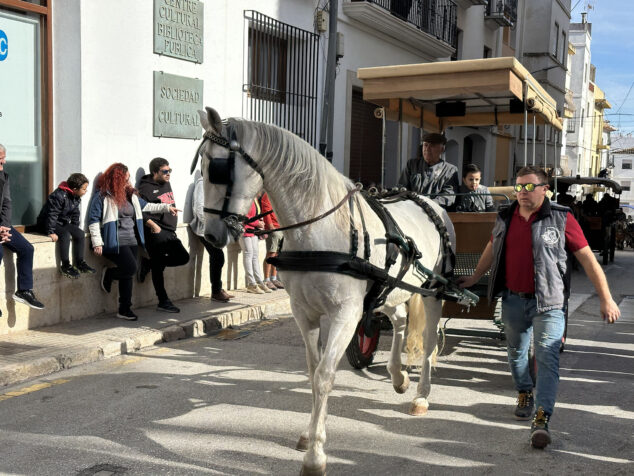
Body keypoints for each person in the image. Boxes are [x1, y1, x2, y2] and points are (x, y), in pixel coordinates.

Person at [458, 166, 620, 449]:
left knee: (547, 358)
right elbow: (491, 248)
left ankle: (542, 418)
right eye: (518, 186)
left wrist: (606, 298)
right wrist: (474, 277)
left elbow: (588, 260)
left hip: (550, 303)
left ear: (546, 189)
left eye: (530, 187)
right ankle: (524, 392)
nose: (522, 192)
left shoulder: (561, 218)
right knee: (516, 353)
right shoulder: (505, 216)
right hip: (512, 299)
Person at [88, 163, 178, 321]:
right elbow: (93, 219)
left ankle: (124, 309)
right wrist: (97, 242)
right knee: (130, 268)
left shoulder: (131, 195)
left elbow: (146, 206)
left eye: (128, 179)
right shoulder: (103, 195)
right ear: (117, 179)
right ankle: (110, 273)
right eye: (125, 179)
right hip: (115, 240)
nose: (128, 182)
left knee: (128, 274)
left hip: (132, 240)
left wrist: (166, 208)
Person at [137, 157, 190, 313]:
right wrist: (152, 225)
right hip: (155, 231)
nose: (168, 174)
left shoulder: (166, 183)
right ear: (155, 172)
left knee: (183, 257)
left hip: (169, 231)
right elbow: (139, 211)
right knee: (158, 267)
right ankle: (163, 301)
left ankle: (149, 264)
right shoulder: (145, 188)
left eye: (169, 171)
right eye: (165, 171)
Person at [0, 143, 45, 313]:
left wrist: (4, 226)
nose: (3, 163)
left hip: (1, 226)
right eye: (0, 159)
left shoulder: (4, 176)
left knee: (26, 249)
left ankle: (24, 290)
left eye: (4, 158)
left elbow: (6, 203)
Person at [36, 173, 96, 278]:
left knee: (80, 234)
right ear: (75, 188)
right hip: (47, 223)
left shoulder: (76, 197)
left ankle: (80, 263)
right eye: (84, 189)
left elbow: (75, 214)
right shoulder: (59, 196)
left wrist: (75, 228)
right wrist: (50, 231)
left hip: (61, 222)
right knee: (65, 235)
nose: (86, 191)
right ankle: (65, 265)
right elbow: (52, 214)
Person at [189, 172, 234, 303]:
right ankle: (216, 291)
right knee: (218, 256)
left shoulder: (215, 184)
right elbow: (199, 208)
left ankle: (218, 289)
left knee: (217, 257)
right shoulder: (202, 183)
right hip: (205, 229)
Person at [398, 132, 459, 209]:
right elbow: (402, 187)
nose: (427, 149)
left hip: (434, 212)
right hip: (411, 209)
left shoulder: (450, 170)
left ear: (442, 149)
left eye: (432, 146)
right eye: (425, 145)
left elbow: (449, 197)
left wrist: (428, 204)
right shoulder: (412, 164)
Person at [241, 197, 270, 294]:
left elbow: (256, 214)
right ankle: (251, 284)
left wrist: (260, 223)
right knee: (248, 255)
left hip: (253, 230)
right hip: (244, 230)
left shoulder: (255, 198)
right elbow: (244, 216)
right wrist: (258, 223)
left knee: (255, 256)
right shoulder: (245, 198)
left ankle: (259, 281)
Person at [260, 193, 284, 291]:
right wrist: (270, 226)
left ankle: (274, 278)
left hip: (281, 227)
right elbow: (265, 209)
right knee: (271, 253)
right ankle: (266, 280)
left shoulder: (279, 193)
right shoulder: (267, 194)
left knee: (277, 254)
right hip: (273, 228)